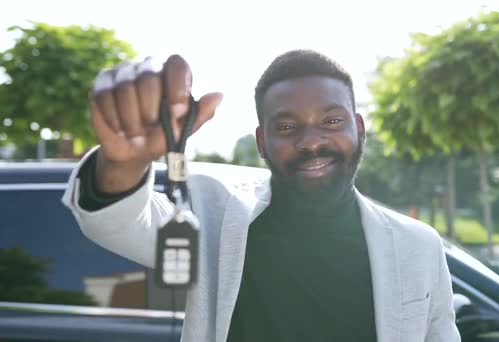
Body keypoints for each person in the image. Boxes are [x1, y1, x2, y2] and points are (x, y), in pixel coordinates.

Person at [62, 50, 460, 342]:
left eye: (332, 121)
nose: (311, 142)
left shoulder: (418, 244)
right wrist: (123, 163)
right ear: (262, 141)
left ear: (358, 127)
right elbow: (118, 222)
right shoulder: (212, 213)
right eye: (286, 127)